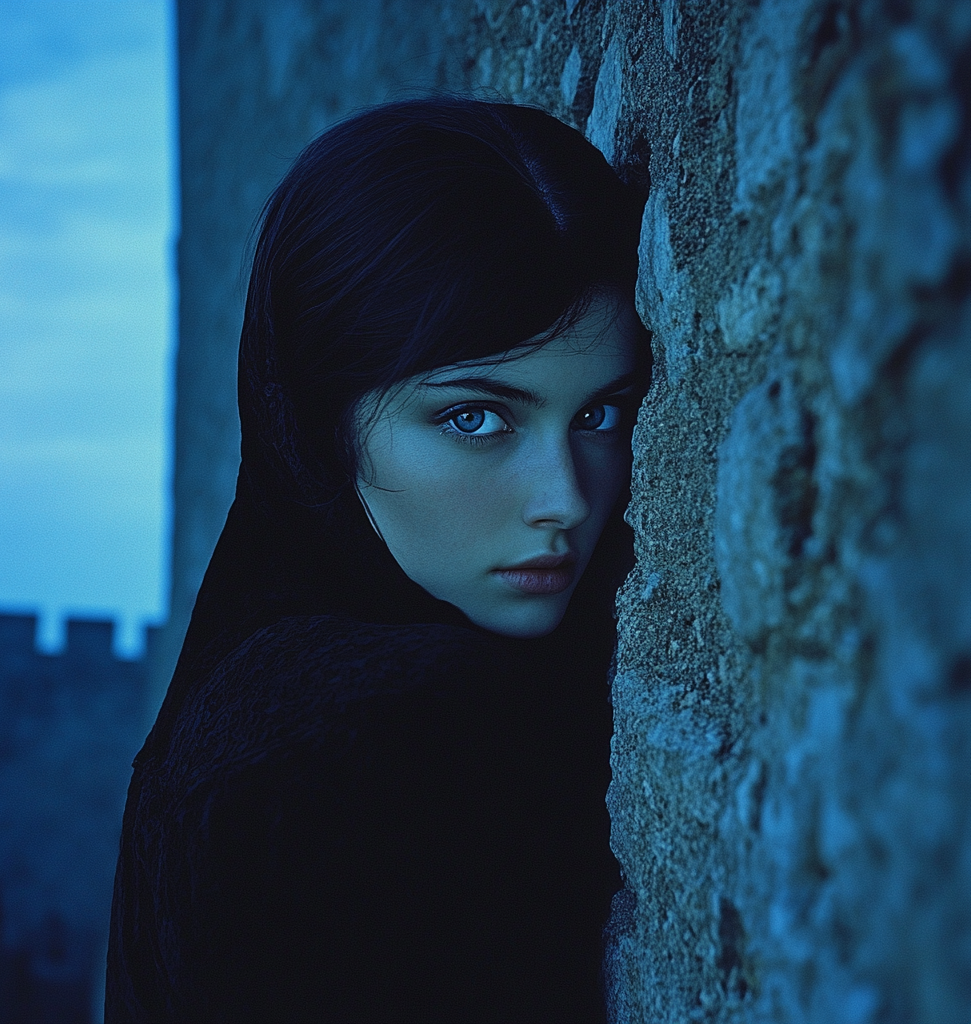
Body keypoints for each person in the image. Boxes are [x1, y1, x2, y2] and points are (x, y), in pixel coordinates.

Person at [105, 96, 649, 1023]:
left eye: (600, 415)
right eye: (475, 417)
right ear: (318, 427)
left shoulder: (245, 692)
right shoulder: (373, 740)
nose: (566, 498)